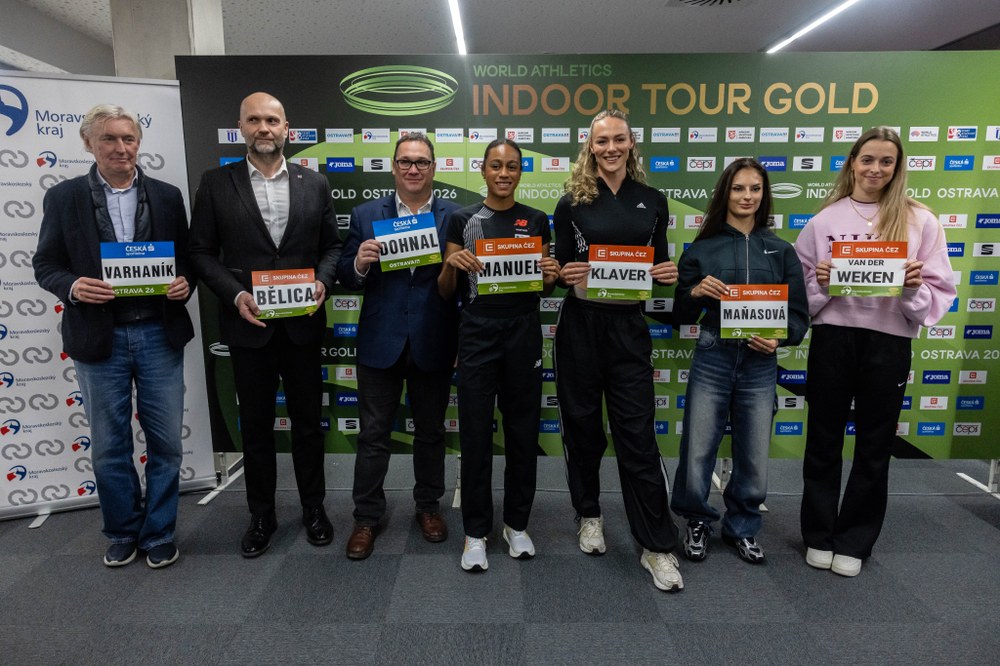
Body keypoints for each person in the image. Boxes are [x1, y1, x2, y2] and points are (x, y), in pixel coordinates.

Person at [33, 104, 194, 569]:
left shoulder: (166, 196)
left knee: (166, 443)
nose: (121, 147)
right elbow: (46, 265)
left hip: (158, 333)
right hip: (98, 338)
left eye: (128, 138)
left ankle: (160, 531)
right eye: (109, 139)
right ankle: (123, 529)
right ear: (89, 143)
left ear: (138, 143)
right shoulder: (64, 198)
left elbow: (186, 259)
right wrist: (72, 286)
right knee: (109, 444)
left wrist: (184, 282)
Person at [794, 127, 955, 577]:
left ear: (897, 167)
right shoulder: (825, 220)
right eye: (868, 160)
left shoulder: (921, 219)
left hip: (889, 343)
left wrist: (911, 290)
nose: (876, 169)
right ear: (852, 163)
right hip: (833, 340)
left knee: (874, 444)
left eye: (886, 161)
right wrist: (821, 286)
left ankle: (854, 540)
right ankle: (818, 535)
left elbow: (937, 297)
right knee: (823, 439)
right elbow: (800, 297)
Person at [188, 92, 342, 557]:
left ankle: (314, 508)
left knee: (308, 428)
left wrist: (321, 282)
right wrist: (235, 295)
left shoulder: (314, 183)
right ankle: (262, 515)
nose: (264, 128)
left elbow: (332, 248)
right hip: (247, 326)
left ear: (287, 128)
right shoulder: (217, 183)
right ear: (241, 127)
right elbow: (198, 253)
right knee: (255, 427)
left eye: (272, 120)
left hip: (301, 327)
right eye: (254, 120)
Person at [553, 109, 684, 592]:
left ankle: (656, 546)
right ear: (590, 147)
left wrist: (667, 274)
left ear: (632, 143)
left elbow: (661, 263)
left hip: (629, 329)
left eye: (618, 139)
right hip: (580, 329)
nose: (610, 148)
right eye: (601, 141)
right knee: (584, 432)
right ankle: (589, 514)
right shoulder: (571, 202)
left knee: (637, 439)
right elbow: (562, 265)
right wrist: (564, 272)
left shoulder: (652, 200)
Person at [670, 158, 809, 565]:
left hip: (760, 363)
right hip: (714, 353)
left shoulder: (782, 251)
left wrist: (779, 336)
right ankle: (696, 520)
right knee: (697, 447)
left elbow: (799, 315)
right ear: (724, 193)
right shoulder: (701, 248)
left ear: (764, 196)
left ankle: (743, 526)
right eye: (738, 189)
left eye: (755, 189)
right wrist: (694, 294)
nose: (747, 196)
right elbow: (678, 314)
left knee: (753, 452)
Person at [438, 138, 560, 572]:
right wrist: (453, 265)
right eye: (495, 165)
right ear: (483, 170)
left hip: (523, 332)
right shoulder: (462, 219)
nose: (504, 173)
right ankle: (475, 531)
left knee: (523, 432)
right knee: (474, 433)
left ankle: (516, 524)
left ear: (521, 172)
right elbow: (445, 290)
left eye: (511, 166)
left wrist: (550, 275)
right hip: (477, 331)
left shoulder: (537, 219)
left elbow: (544, 289)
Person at [336, 133, 460, 559]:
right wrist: (359, 261)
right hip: (381, 340)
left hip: (434, 338)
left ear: (434, 168)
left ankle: (428, 507)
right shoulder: (365, 214)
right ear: (393, 167)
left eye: (421, 162)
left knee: (430, 434)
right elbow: (345, 275)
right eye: (405, 162)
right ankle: (366, 517)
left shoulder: (454, 217)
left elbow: (461, 287)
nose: (413, 169)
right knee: (373, 435)